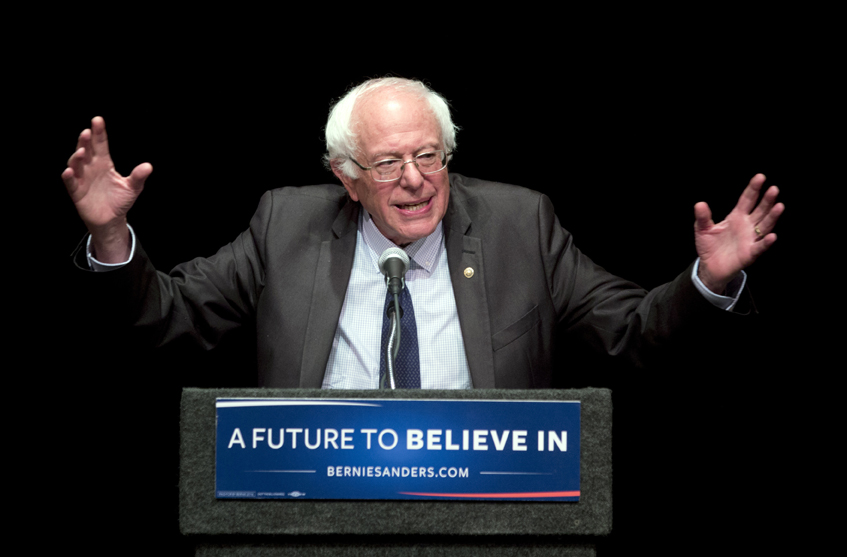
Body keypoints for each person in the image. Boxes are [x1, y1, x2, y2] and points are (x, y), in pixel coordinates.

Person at [63, 77, 783, 388]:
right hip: (316, 513)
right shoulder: (285, 222)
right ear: (346, 177)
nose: (415, 178)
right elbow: (169, 313)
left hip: (490, 512)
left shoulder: (516, 223)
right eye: (387, 163)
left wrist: (706, 282)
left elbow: (631, 328)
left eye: (429, 154)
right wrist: (110, 237)